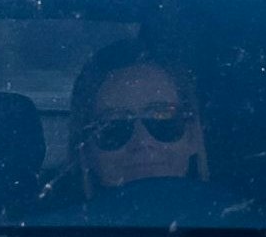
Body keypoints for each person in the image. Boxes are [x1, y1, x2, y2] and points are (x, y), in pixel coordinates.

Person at [72, 46, 208, 195]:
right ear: (85, 152)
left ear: (193, 136)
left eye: (162, 119)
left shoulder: (232, 217)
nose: (143, 142)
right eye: (113, 127)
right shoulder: (55, 219)